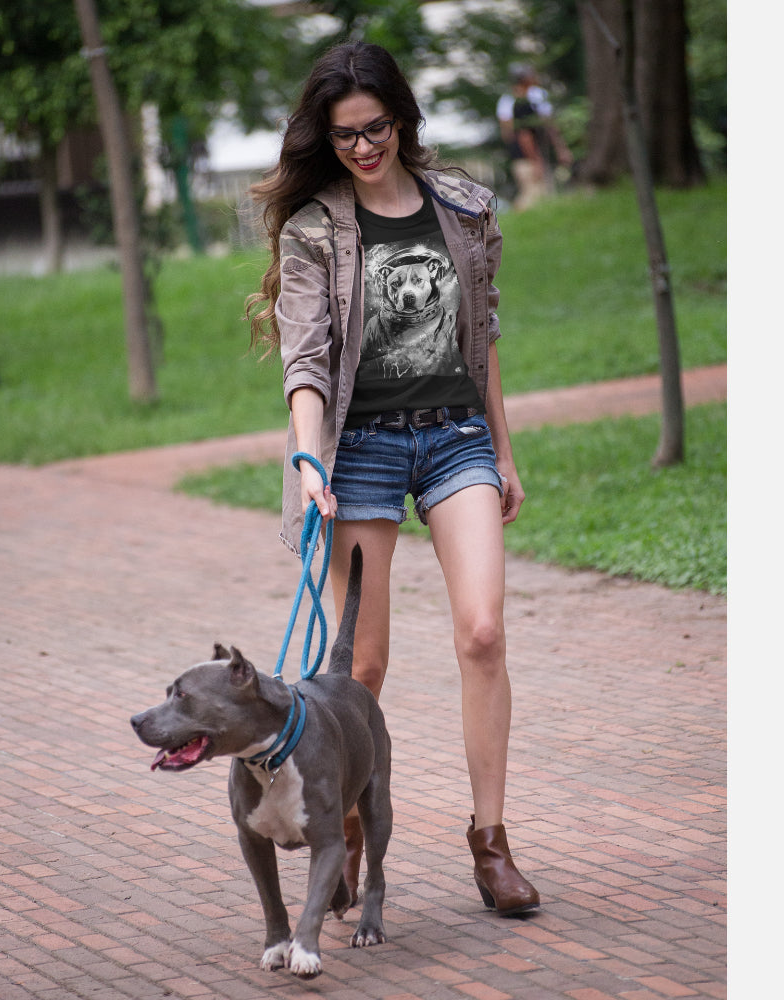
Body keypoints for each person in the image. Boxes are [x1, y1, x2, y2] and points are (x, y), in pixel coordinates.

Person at [246, 41, 540, 917]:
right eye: (344, 138)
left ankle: (490, 841)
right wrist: (310, 458)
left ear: (403, 121)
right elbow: (305, 360)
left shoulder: (464, 209)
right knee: (360, 666)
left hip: (454, 441)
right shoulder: (314, 230)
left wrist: (504, 452)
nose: (363, 147)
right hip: (360, 451)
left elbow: (481, 342)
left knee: (483, 633)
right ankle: (343, 831)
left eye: (375, 129)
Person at [496, 65, 572, 211]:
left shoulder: (514, 100)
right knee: (535, 196)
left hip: (527, 154)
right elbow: (524, 135)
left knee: (534, 194)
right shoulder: (519, 102)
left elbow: (507, 133)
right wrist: (537, 160)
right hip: (530, 155)